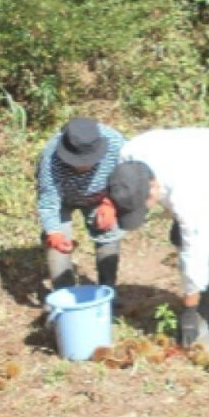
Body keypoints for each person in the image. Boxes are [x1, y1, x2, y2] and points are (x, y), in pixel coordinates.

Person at [106, 128, 209, 353]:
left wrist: (188, 310)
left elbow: (193, 251)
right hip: (205, 168)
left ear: (154, 186)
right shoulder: (128, 157)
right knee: (192, 240)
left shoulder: (185, 194)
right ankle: (207, 310)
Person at [36, 117, 127, 291]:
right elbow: (48, 202)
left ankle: (107, 290)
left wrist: (112, 202)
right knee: (57, 244)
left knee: (108, 231)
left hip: (101, 195)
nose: (81, 167)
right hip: (62, 199)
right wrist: (54, 233)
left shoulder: (117, 144)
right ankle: (64, 294)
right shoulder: (50, 156)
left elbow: (128, 177)